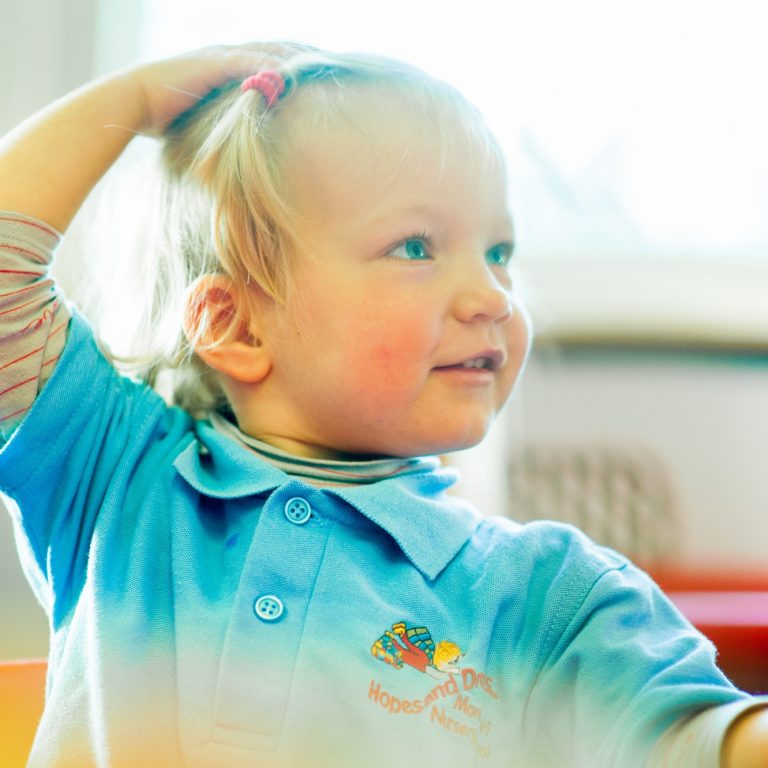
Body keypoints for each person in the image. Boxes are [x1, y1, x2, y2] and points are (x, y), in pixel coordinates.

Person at [0, 42, 765, 768]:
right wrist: (135, 97)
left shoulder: (543, 594)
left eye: (500, 253)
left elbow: (700, 739)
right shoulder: (113, 477)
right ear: (235, 323)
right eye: (416, 247)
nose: (492, 296)